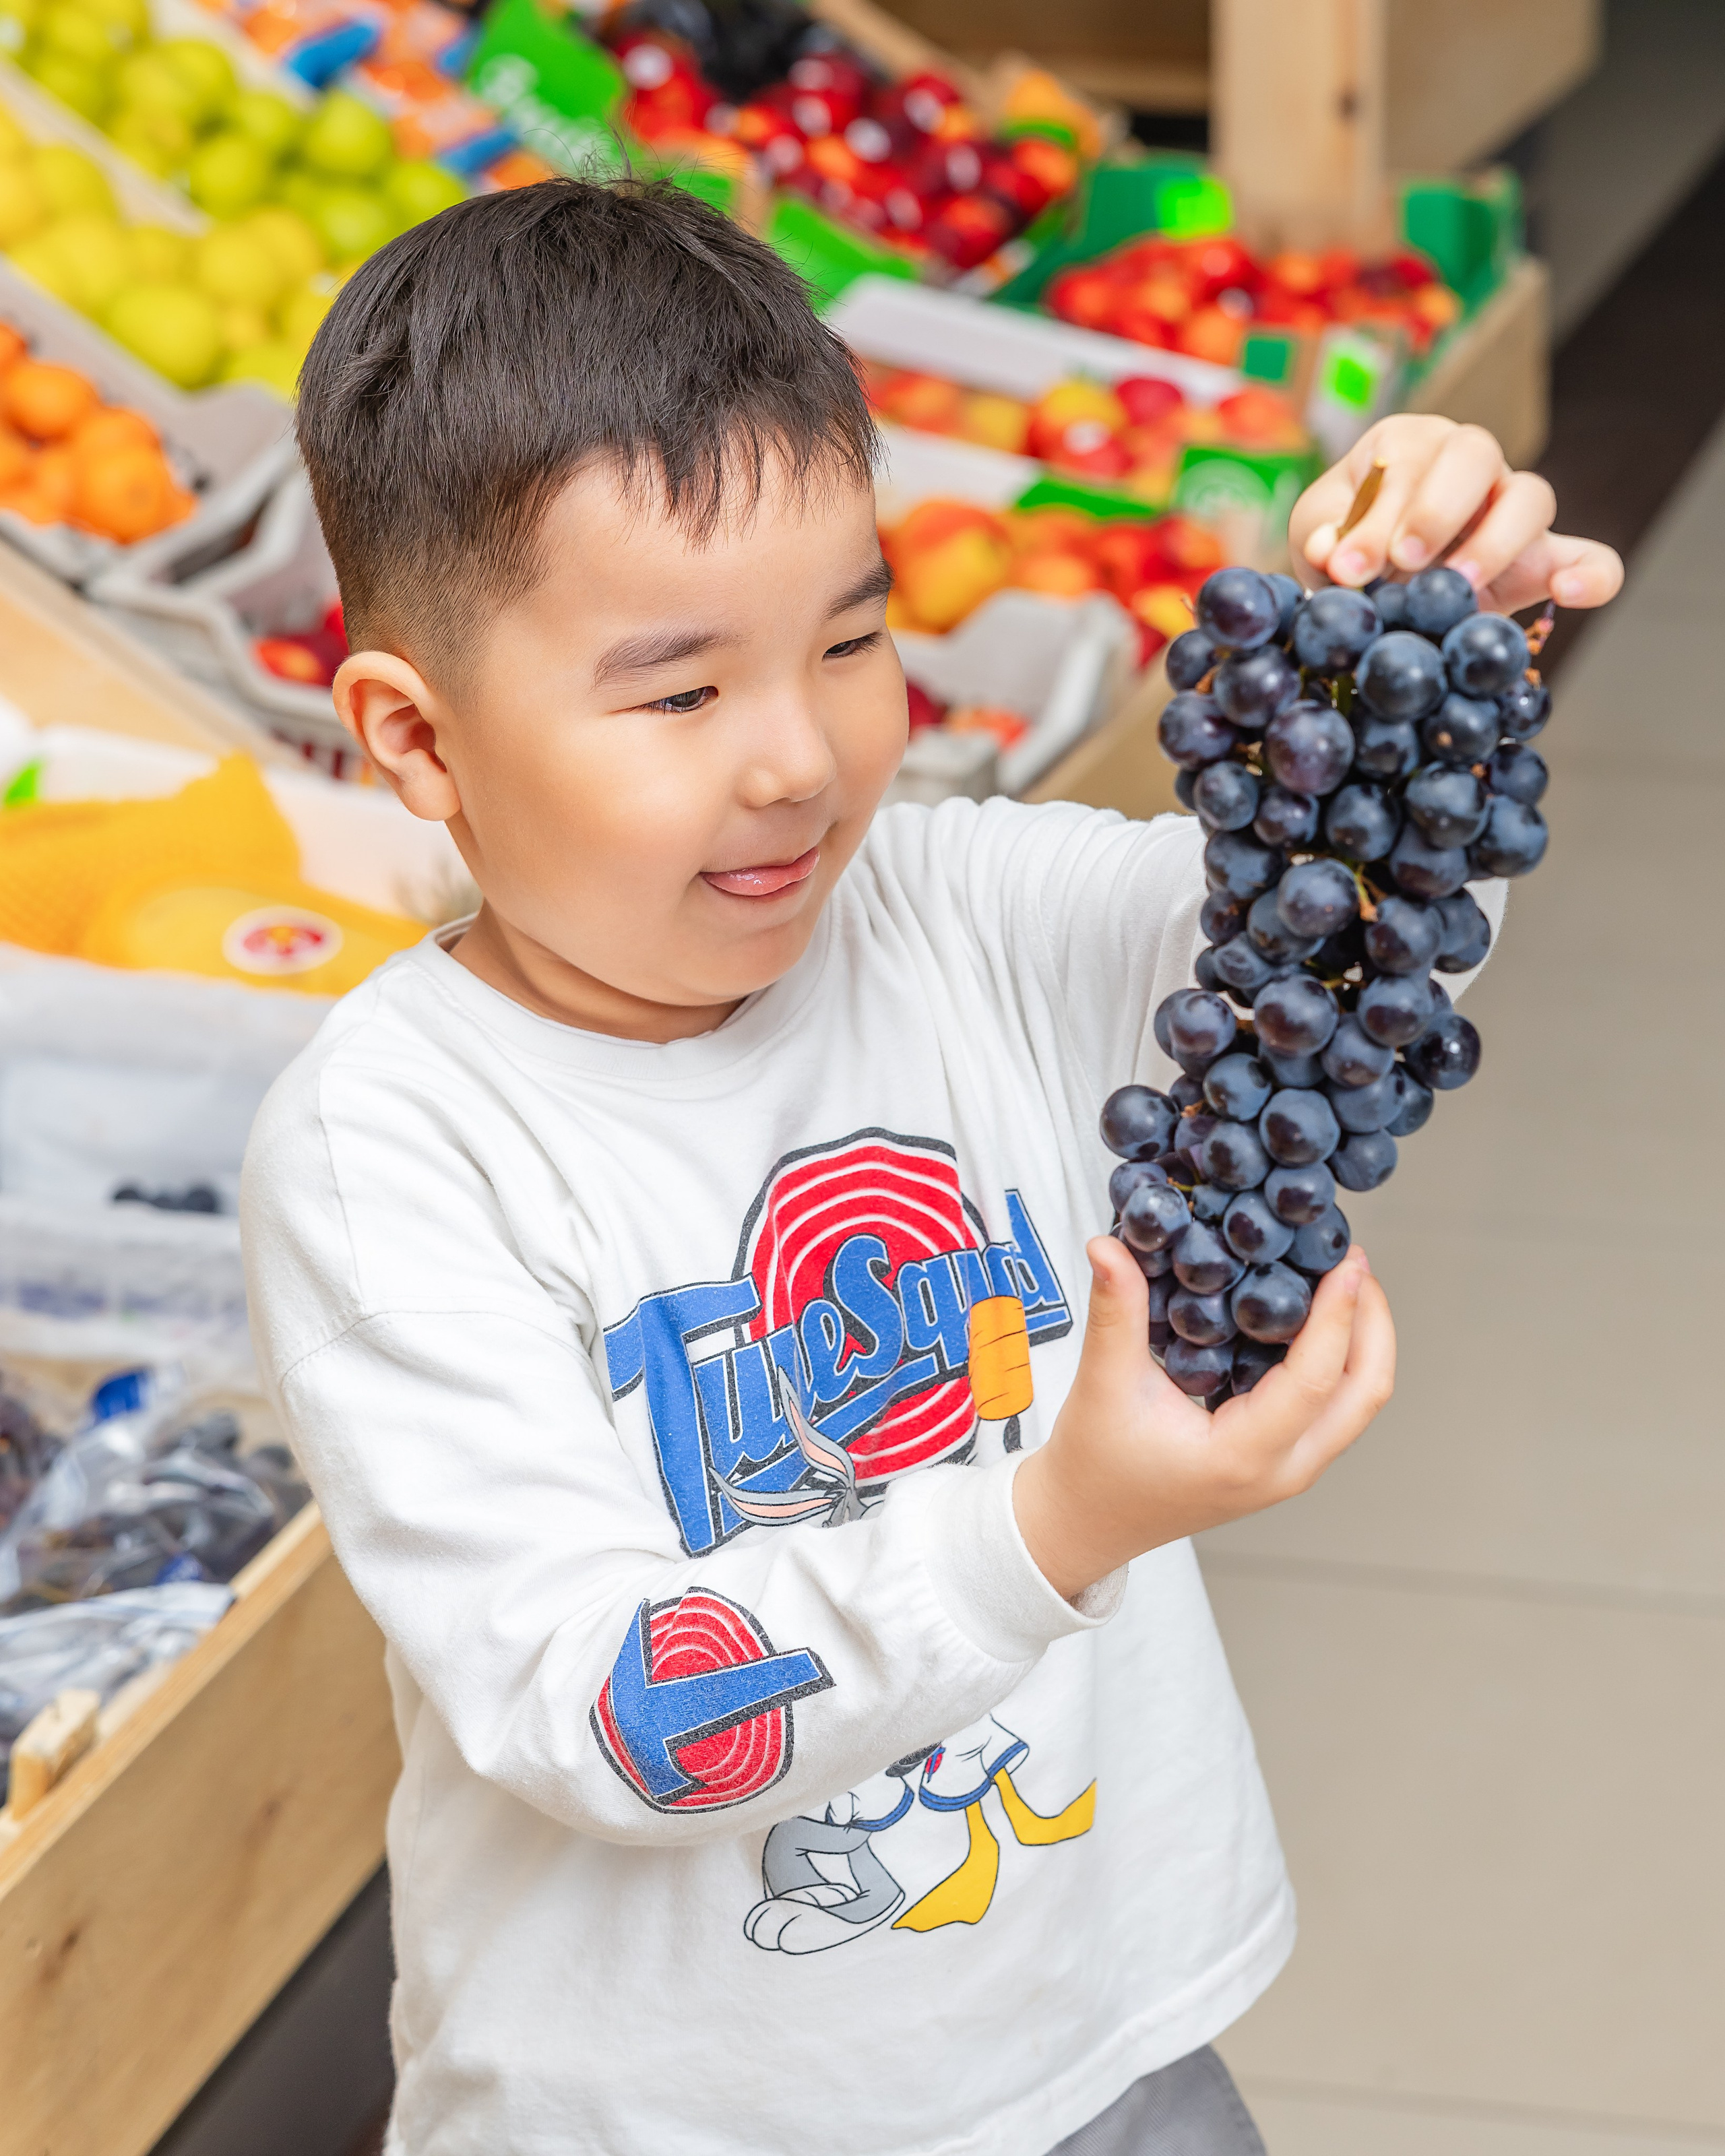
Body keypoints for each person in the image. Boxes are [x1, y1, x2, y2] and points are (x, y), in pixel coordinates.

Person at [241, 178, 1623, 2156]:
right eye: (680, 691)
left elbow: (1337, 984)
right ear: (419, 741)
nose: (799, 759)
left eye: (853, 637)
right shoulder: (394, 1145)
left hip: (1106, 2050)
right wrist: (1048, 1526)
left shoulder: (957, 910)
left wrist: (1423, 640)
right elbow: (606, 1706)